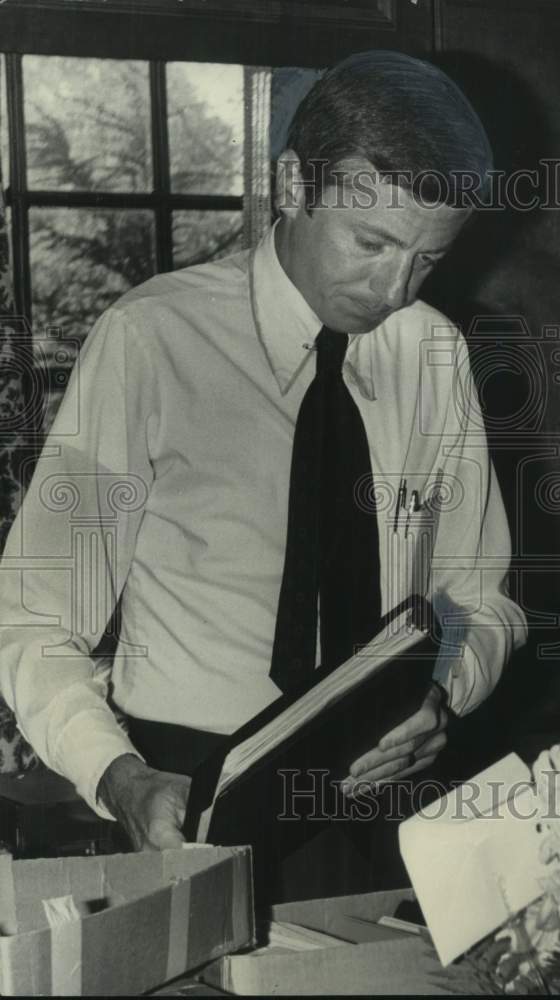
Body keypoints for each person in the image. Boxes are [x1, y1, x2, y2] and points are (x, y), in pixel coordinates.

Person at [0, 51, 527, 883]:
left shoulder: (432, 352)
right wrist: (119, 776)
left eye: (427, 259)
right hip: (184, 802)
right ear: (292, 186)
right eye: (372, 242)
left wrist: (445, 693)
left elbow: (481, 596)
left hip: (385, 807)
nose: (394, 287)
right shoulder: (151, 340)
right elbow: (32, 618)